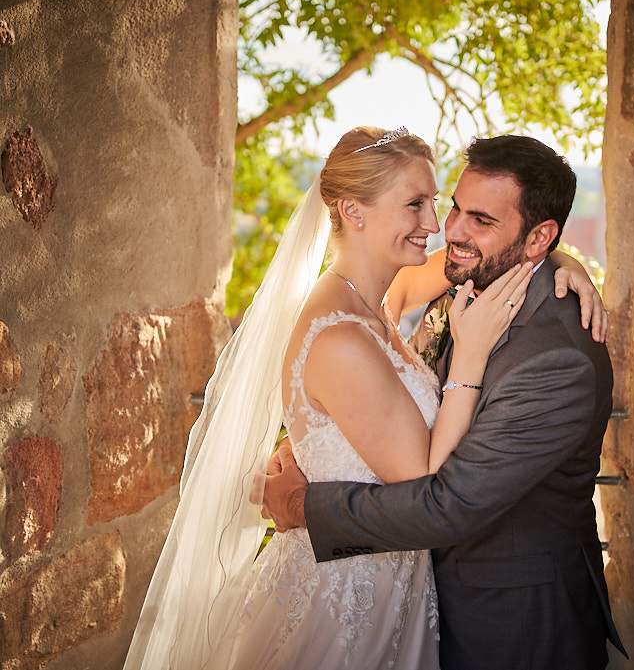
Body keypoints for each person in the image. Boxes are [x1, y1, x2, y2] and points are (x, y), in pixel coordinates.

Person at [123, 127, 606, 670]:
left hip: (499, 614)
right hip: (353, 595)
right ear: (353, 211)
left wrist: (564, 263)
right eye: (428, 206)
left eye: (445, 206)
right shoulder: (355, 325)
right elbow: (419, 470)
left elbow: (440, 499)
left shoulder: (405, 300)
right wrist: (468, 357)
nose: (442, 229)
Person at [263, 134, 628, 670]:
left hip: (513, 623)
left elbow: (443, 504)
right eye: (446, 205)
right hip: (379, 596)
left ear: (537, 238)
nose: (445, 228)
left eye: (476, 219)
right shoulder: (455, 279)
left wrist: (301, 506)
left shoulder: (556, 360)